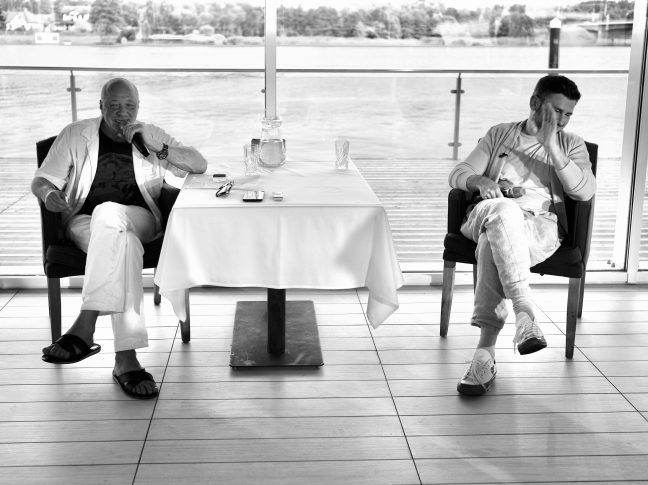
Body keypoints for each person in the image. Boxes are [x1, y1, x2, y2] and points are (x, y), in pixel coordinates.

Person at [32, 77, 207, 399]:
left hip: (141, 219)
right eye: (114, 106)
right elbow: (42, 180)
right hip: (84, 222)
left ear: (138, 107)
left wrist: (159, 148)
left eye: (129, 106)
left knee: (111, 213)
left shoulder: (150, 135)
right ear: (101, 107)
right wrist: (48, 195)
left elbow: (198, 165)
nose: (122, 113)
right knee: (120, 240)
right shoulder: (76, 134)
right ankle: (126, 359)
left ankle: (86, 323)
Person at [448, 75, 596, 396]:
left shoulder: (571, 145)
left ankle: (484, 356)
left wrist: (552, 146)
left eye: (568, 114)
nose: (562, 120)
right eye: (556, 111)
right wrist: (479, 182)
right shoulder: (500, 134)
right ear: (534, 103)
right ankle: (524, 312)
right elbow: (458, 173)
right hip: (488, 211)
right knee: (504, 212)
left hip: (539, 227)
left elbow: (584, 191)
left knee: (492, 243)